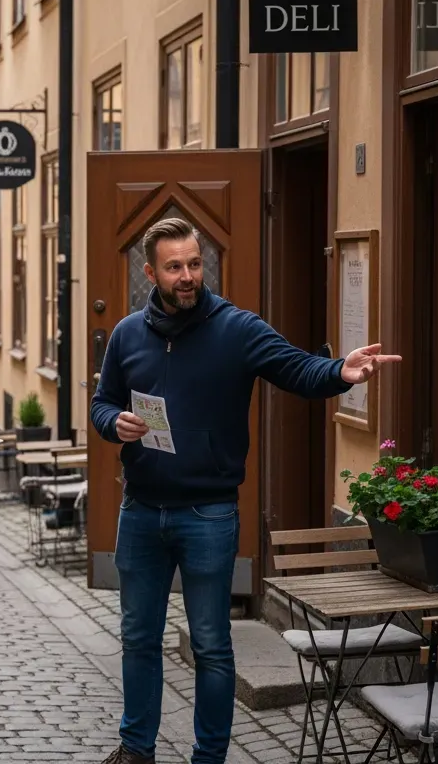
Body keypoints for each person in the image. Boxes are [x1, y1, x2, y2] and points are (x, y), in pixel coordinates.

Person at [90, 217, 400, 764]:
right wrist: (113, 421)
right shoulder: (126, 335)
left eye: (194, 263)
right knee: (138, 639)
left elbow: (297, 369)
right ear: (150, 272)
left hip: (208, 514)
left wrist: (340, 372)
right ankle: (136, 748)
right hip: (141, 512)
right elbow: (101, 403)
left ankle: (209, 757)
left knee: (211, 645)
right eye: (174, 266)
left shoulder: (236, 328)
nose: (187, 276)